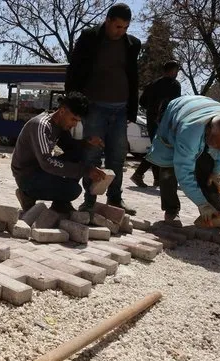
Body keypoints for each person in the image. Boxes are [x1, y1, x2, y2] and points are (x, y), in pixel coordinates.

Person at [63, 3, 142, 215]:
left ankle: (115, 198)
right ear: (107, 21)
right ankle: (90, 199)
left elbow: (133, 78)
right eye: (117, 26)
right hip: (95, 106)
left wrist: (131, 110)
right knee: (92, 154)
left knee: (117, 156)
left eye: (125, 27)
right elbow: (75, 69)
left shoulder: (133, 44)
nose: (121, 31)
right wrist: (73, 101)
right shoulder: (89, 37)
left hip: (120, 109)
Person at [145, 96, 220, 225]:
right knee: (168, 167)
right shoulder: (189, 133)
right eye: (216, 143)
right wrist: (202, 203)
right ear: (207, 132)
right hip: (178, 110)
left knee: (210, 170)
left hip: (202, 110)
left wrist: (216, 172)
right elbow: (184, 172)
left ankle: (217, 213)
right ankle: (171, 211)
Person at [11, 93, 105, 213]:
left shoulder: (60, 125)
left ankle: (60, 204)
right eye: (73, 119)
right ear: (62, 111)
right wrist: (86, 171)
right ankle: (27, 195)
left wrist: (87, 143)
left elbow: (72, 148)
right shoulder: (41, 125)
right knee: (73, 190)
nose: (74, 124)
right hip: (27, 177)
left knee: (78, 153)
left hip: (42, 171)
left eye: (78, 121)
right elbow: (47, 162)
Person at [130, 60, 181, 187]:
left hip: (152, 120)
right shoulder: (174, 85)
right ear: (172, 70)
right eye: (176, 70)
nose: (177, 73)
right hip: (164, 121)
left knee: (157, 147)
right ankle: (139, 173)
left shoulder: (152, 84)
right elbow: (175, 105)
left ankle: (157, 179)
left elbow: (142, 102)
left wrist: (152, 110)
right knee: (158, 148)